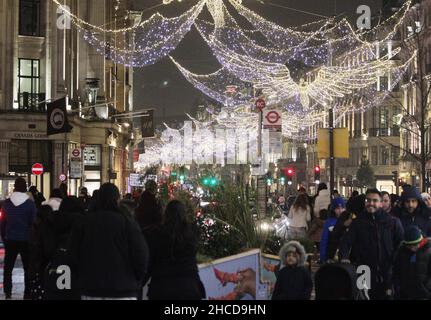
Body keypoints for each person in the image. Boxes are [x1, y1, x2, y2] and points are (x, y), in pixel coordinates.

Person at [68, 183, 149, 300]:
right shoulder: (127, 222)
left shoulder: (84, 222)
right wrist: (135, 279)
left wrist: (81, 277)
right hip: (123, 290)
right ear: (117, 200)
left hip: (91, 289)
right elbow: (141, 255)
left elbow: (72, 255)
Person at [339, 188, 404, 300]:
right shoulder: (358, 222)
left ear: (380, 202)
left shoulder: (392, 222)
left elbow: (401, 244)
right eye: (368, 200)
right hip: (363, 269)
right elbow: (346, 241)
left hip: (387, 270)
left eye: (375, 200)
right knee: (362, 297)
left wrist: (395, 260)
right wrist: (344, 257)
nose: (371, 203)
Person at [145, 200, 206, 300]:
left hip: (162, 288)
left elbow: (149, 261)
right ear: (183, 213)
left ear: (165, 214)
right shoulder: (192, 232)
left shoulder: (155, 233)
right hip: (189, 287)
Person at [0, 178, 37, 300]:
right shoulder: (30, 204)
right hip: (26, 239)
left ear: (14, 187)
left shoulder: (6, 204)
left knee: (8, 268)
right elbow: (33, 223)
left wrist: (4, 238)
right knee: (27, 268)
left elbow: (2, 224)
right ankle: (27, 293)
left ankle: (8, 292)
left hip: (10, 238)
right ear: (25, 187)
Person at [393, 225, 431, 300]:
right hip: (406, 294)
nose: (412, 248)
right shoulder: (402, 252)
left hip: (425, 295)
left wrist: (426, 288)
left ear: (420, 241)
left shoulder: (428, 252)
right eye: (409, 246)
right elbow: (397, 270)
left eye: (415, 245)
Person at [320, 197, 349, 263]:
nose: (340, 210)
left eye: (342, 208)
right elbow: (324, 240)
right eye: (337, 208)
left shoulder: (348, 222)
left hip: (345, 257)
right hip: (331, 257)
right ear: (333, 209)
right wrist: (323, 257)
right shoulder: (329, 222)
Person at [309, 183, 330, 251]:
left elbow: (316, 210)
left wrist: (316, 216)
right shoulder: (330, 197)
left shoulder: (317, 198)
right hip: (328, 219)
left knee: (313, 234)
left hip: (319, 219)